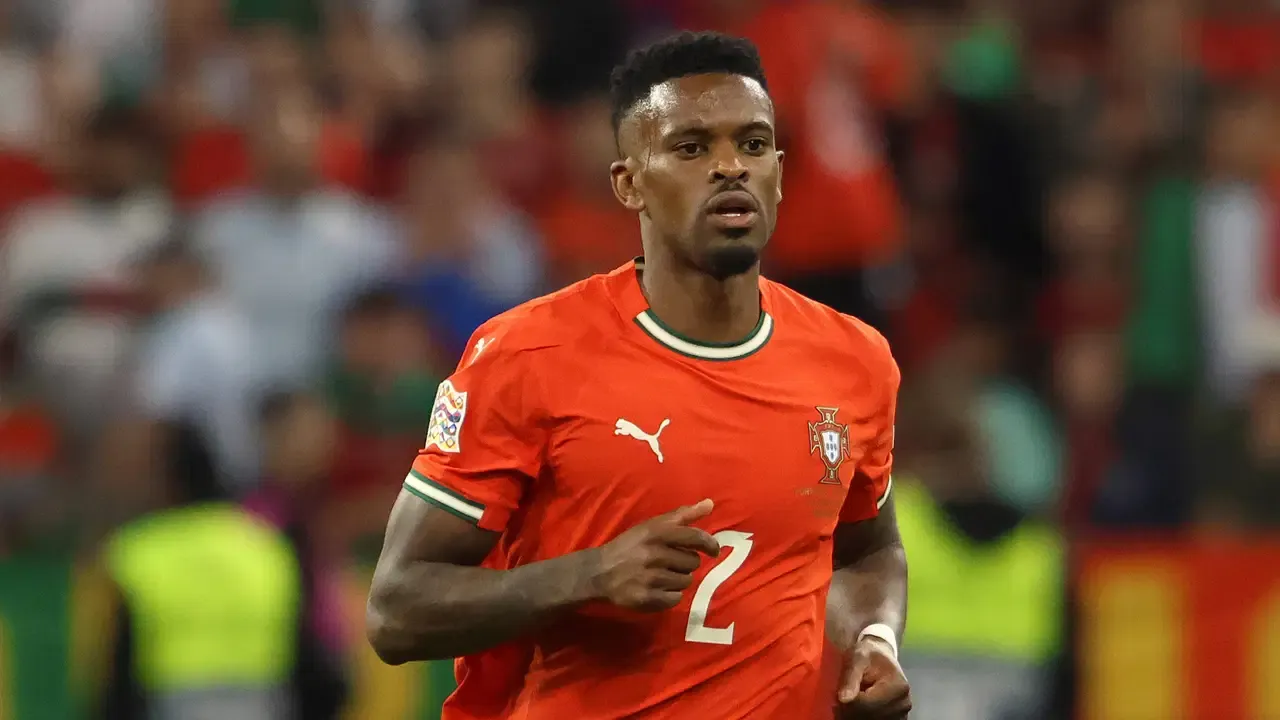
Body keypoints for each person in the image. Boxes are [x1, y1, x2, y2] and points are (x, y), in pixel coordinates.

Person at [366, 31, 911, 720]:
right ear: (629, 184)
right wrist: (588, 575)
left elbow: (868, 551)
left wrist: (874, 638)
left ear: (778, 170)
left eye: (752, 144)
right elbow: (396, 609)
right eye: (692, 148)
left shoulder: (854, 359)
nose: (729, 167)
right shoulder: (528, 355)